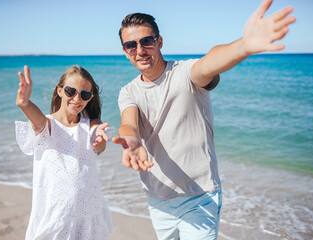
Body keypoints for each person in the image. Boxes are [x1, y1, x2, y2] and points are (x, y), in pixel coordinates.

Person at [112, 0, 296, 239]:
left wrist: (244, 46)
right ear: (125, 52)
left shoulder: (185, 73)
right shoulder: (129, 91)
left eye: (146, 41)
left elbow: (209, 63)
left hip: (199, 197)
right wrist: (131, 140)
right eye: (130, 45)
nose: (140, 50)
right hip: (158, 197)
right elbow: (129, 122)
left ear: (159, 42)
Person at [15, 65, 112, 239]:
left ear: (90, 98)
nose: (77, 98)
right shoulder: (48, 126)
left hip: (88, 211)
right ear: (60, 91)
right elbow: (38, 120)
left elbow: (99, 144)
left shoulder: (90, 124)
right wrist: (25, 103)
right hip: (56, 214)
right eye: (70, 91)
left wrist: (99, 140)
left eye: (84, 95)